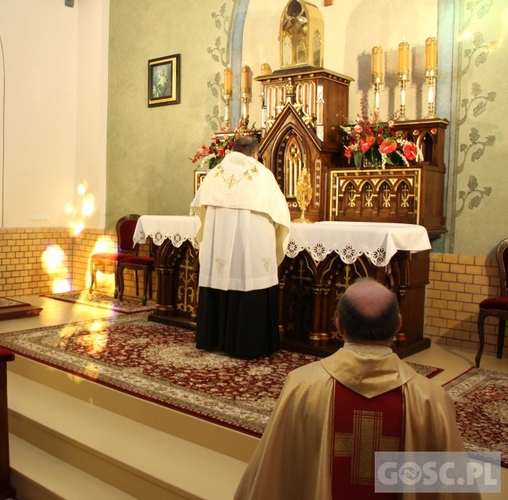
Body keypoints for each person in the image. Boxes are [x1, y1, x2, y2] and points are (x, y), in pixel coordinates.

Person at [234, 278, 477, 499]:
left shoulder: (303, 386)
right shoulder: (430, 398)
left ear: (339, 326)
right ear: (398, 325)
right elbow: (453, 486)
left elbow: (272, 473)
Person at [191, 136, 290, 359]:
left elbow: (199, 208)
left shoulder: (214, 174)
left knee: (221, 275)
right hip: (252, 244)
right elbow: (281, 213)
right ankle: (248, 344)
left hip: (220, 246)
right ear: (255, 154)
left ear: (232, 150)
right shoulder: (262, 175)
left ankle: (213, 338)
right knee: (249, 277)